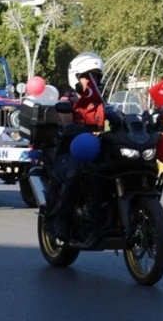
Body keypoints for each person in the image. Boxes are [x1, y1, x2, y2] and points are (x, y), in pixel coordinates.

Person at [47, 51, 107, 244]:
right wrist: (77, 128)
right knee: (76, 173)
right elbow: (67, 126)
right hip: (69, 153)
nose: (92, 80)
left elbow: (119, 119)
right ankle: (61, 221)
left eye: (96, 76)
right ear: (75, 78)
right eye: (87, 76)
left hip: (96, 152)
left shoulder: (103, 103)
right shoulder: (68, 101)